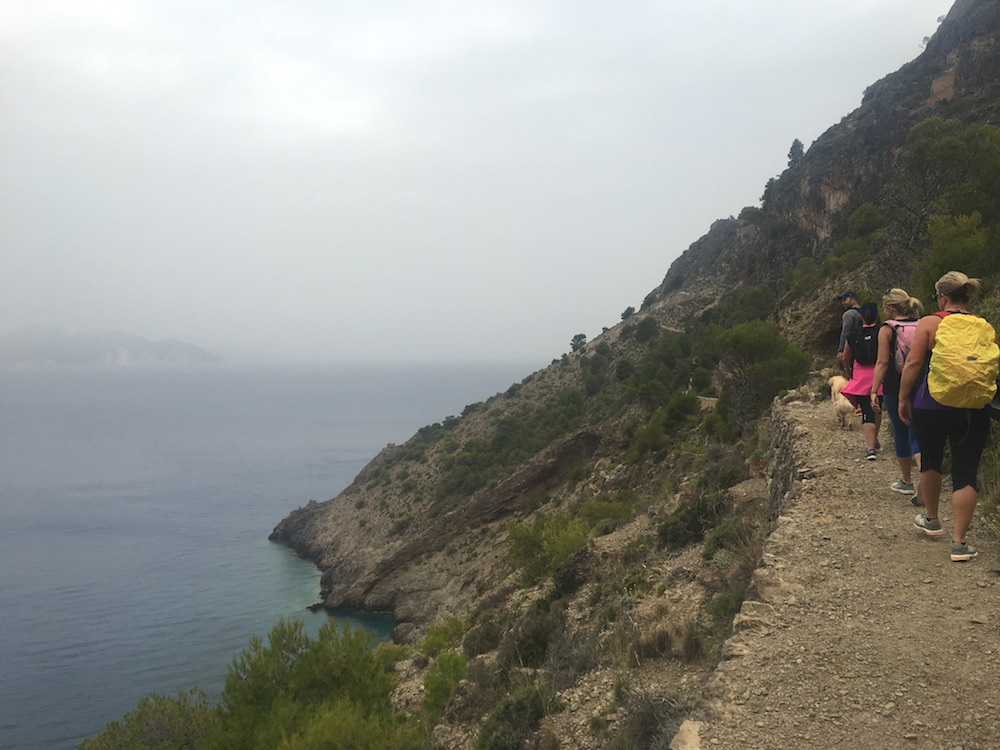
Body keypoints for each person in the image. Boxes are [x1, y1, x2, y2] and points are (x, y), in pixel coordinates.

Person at [899, 271, 996, 562]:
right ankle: (960, 542)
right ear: (967, 295)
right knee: (966, 471)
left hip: (931, 405)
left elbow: (914, 362)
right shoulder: (983, 325)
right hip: (973, 408)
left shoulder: (929, 322)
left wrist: (903, 398)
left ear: (942, 297)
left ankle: (931, 519)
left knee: (931, 459)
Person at [870, 289, 923, 501]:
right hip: (920, 385)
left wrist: (874, 390)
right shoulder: (922, 324)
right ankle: (925, 479)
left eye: (884, 307)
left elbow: (882, 362)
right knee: (917, 433)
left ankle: (907, 482)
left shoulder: (887, 329)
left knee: (901, 432)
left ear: (891, 308)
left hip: (894, 386)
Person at [840, 302, 883, 459]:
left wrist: (849, 371)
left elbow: (846, 357)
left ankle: (870, 448)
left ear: (860, 317)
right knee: (878, 409)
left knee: (866, 411)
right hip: (880, 376)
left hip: (861, 378)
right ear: (877, 316)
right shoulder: (882, 332)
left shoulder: (854, 335)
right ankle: (876, 438)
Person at [837, 290, 862, 370]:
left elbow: (845, 332)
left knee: (846, 374)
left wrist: (841, 350)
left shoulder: (849, 314)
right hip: (865, 348)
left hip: (851, 348)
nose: (843, 303)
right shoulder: (865, 312)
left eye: (845, 300)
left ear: (853, 299)